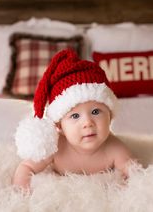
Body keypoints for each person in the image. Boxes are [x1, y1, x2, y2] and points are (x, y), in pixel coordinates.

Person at [12, 48, 134, 190]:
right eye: (75, 116)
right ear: (60, 127)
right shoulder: (56, 148)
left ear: (110, 116)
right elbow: (27, 167)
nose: (88, 123)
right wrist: (21, 191)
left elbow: (136, 173)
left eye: (95, 111)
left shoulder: (114, 148)